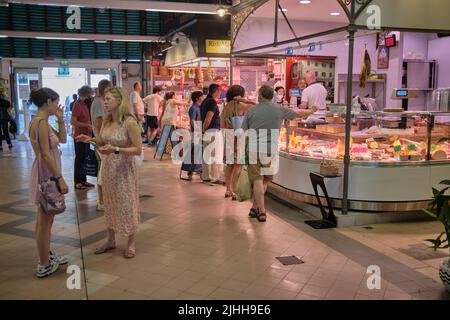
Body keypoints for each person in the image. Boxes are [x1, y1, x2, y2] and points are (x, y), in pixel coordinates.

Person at [76, 87, 142, 259]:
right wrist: (89, 139)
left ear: (119, 101)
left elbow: (138, 149)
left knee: (128, 204)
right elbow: (102, 140)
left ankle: (131, 242)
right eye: (104, 99)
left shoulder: (129, 122)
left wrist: (117, 149)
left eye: (108, 99)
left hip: (124, 169)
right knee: (110, 204)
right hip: (108, 168)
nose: (104, 102)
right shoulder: (106, 121)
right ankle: (111, 240)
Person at [241, 85, 316, 222]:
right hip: (270, 150)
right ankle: (256, 208)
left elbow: (243, 131)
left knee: (257, 179)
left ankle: (260, 210)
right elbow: (298, 114)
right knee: (265, 179)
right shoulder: (279, 109)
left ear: (261, 95)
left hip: (253, 149)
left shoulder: (251, 111)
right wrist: (311, 110)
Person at [28, 88, 69, 278]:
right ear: (48, 102)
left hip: (47, 172)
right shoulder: (40, 123)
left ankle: (45, 255)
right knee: (44, 220)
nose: (57, 106)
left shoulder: (42, 121)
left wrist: (60, 118)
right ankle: (43, 264)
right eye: (56, 102)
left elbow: (62, 139)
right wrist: (59, 177)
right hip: (48, 174)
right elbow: (44, 154)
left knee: (46, 217)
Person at [221, 85, 255, 199]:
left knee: (229, 164)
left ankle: (228, 189)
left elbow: (222, 124)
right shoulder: (243, 106)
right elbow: (258, 106)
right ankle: (235, 191)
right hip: (240, 137)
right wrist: (245, 100)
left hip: (229, 136)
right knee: (238, 165)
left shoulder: (227, 106)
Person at [90, 79, 112, 211]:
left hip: (103, 142)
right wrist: (101, 141)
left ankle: (105, 200)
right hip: (101, 143)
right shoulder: (99, 102)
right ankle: (102, 201)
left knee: (104, 171)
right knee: (102, 172)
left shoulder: (101, 101)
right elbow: (99, 123)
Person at [71, 85, 94, 190]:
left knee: (85, 158)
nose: (90, 97)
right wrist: (87, 125)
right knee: (79, 158)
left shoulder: (85, 104)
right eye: (89, 95)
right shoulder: (77, 105)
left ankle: (83, 180)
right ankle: (77, 181)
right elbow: (73, 121)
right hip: (79, 136)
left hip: (86, 136)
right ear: (84, 94)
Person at [200, 84, 224, 185]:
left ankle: (205, 176)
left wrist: (202, 130)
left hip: (207, 132)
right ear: (216, 91)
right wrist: (204, 129)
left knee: (206, 155)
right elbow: (208, 117)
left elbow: (201, 117)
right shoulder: (212, 102)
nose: (221, 93)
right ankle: (215, 177)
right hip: (213, 131)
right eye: (220, 91)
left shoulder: (204, 101)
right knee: (216, 155)